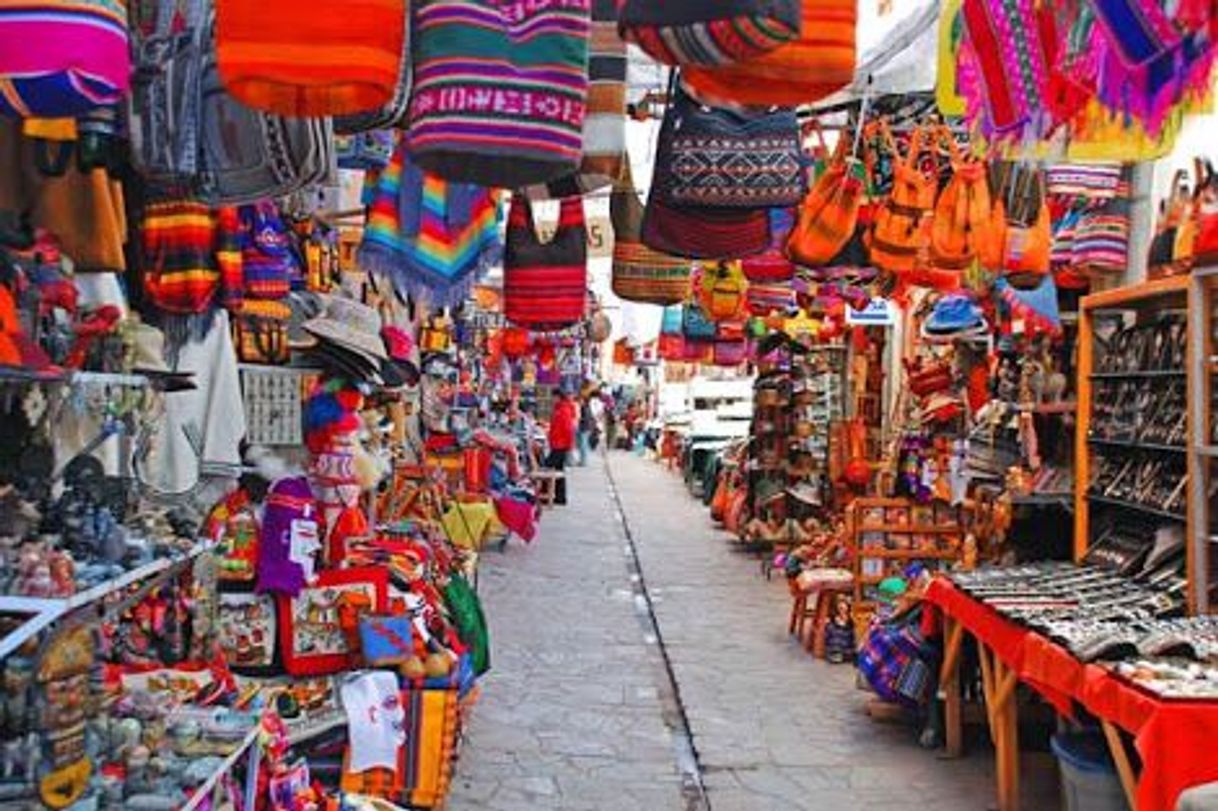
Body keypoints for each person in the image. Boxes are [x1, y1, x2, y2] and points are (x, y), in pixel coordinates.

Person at [547, 388, 577, 505]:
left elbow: (568, 429)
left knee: (549, 467)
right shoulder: (560, 409)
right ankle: (560, 497)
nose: (552, 400)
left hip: (560, 445)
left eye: (553, 397)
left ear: (558, 397)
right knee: (558, 470)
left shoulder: (564, 410)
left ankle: (552, 495)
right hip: (558, 443)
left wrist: (569, 445)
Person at [575, 392, 595, 466]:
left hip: (584, 428)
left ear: (584, 400)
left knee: (583, 445)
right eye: (578, 400)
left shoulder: (585, 408)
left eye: (580, 400)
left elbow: (586, 418)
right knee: (582, 445)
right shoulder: (585, 407)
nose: (579, 402)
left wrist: (579, 419)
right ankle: (582, 460)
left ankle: (584, 461)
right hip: (585, 428)